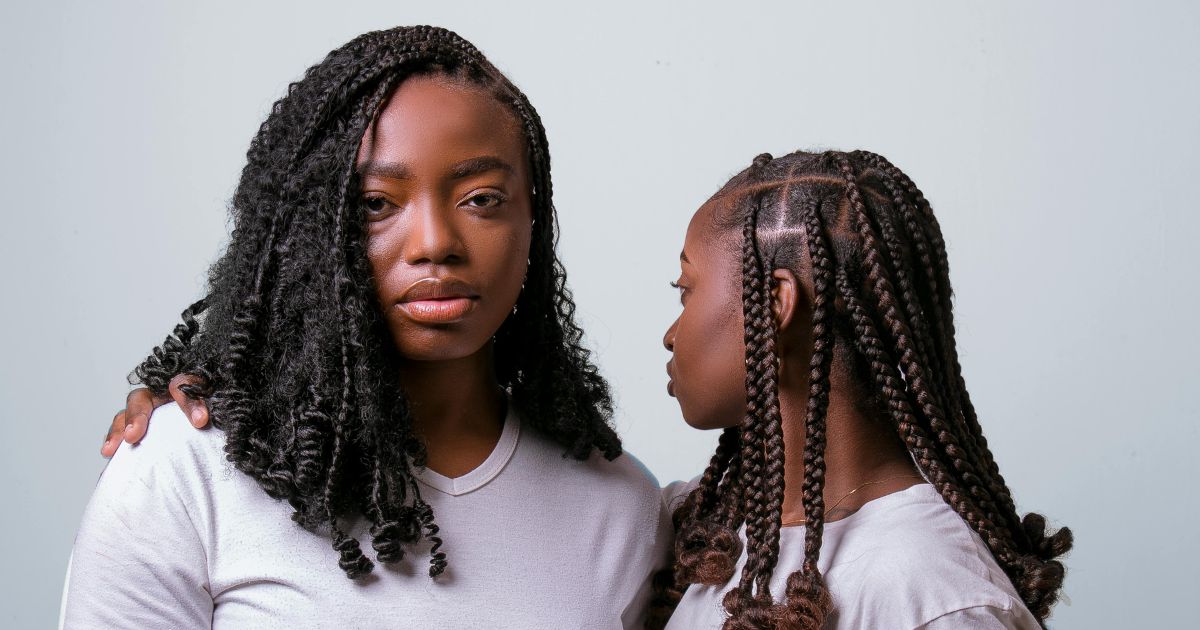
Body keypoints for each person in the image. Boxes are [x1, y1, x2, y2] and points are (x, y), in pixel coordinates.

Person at [62, 25, 668, 630]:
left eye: (481, 198)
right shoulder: (182, 472)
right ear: (306, 232)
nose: (436, 243)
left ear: (533, 217)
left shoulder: (619, 506)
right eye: (377, 204)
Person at [648, 150, 1072, 629]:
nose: (670, 333)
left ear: (774, 303)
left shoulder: (935, 597)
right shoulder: (718, 526)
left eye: (685, 288)